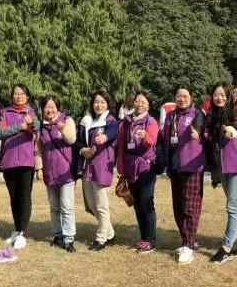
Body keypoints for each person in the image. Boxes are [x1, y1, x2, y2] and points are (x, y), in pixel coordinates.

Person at [205, 83, 237, 264]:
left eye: (223, 95)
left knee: (233, 207)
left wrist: (231, 131)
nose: (219, 98)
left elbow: (236, 126)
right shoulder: (213, 115)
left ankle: (226, 248)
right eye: (216, 95)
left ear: (228, 96)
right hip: (224, 166)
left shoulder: (236, 110)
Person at [162, 86, 206, 264]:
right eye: (178, 96)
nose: (181, 99)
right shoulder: (171, 116)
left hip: (191, 165)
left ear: (191, 97)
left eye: (185, 96)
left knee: (190, 206)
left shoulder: (197, 114)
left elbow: (200, 126)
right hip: (174, 164)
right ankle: (188, 240)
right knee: (178, 205)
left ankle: (189, 245)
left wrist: (197, 131)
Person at [117, 92, 159, 254]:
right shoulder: (126, 122)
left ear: (148, 105)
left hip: (146, 167)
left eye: (143, 102)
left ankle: (151, 240)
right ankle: (144, 237)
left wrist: (144, 136)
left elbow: (152, 142)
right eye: (137, 101)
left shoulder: (151, 121)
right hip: (130, 166)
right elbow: (122, 146)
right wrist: (121, 168)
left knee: (146, 203)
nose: (139, 104)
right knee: (137, 204)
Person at [0, 84, 38, 250]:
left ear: (27, 97)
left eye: (22, 94)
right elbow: (0, 133)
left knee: (25, 196)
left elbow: (37, 128)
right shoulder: (4, 112)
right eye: (15, 94)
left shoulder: (31, 112)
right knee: (14, 197)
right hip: (9, 160)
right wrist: (20, 127)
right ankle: (17, 229)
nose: (18, 96)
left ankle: (22, 232)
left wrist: (31, 123)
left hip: (27, 161)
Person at [77, 89, 118, 251]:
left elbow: (113, 132)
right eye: (96, 102)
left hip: (102, 167)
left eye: (102, 102)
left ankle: (101, 239)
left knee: (102, 206)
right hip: (87, 167)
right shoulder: (87, 121)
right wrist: (83, 151)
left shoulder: (110, 121)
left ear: (107, 104)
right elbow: (78, 142)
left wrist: (105, 137)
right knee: (91, 205)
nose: (99, 105)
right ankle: (110, 234)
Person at [36, 96, 78, 251]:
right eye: (46, 107)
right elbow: (38, 149)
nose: (49, 110)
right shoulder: (41, 126)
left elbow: (72, 140)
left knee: (67, 206)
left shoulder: (67, 120)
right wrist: (39, 168)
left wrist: (63, 129)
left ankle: (69, 239)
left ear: (58, 108)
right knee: (54, 206)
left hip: (66, 172)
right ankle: (57, 235)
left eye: (52, 107)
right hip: (49, 172)